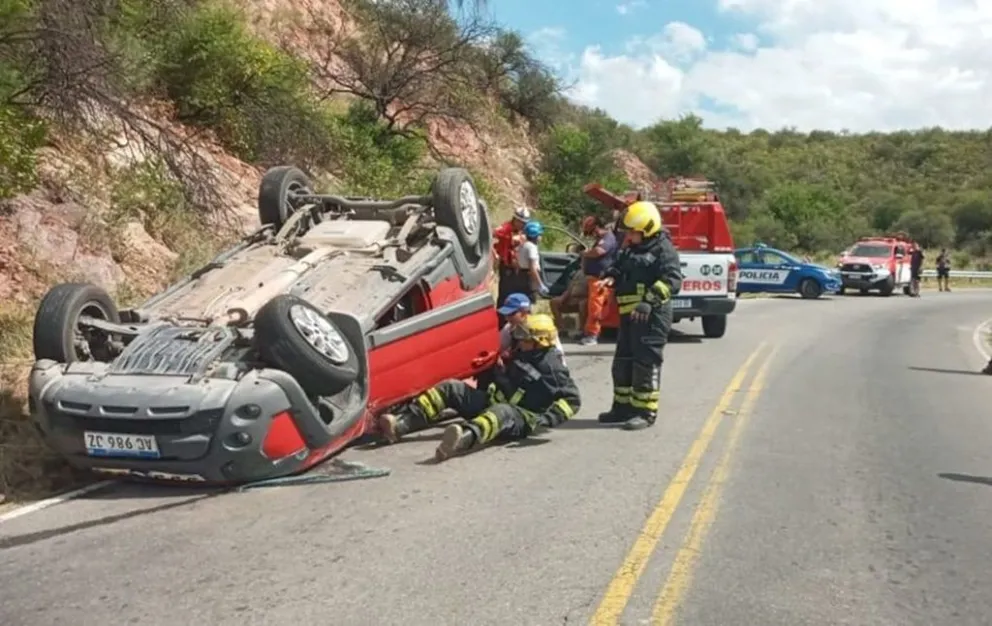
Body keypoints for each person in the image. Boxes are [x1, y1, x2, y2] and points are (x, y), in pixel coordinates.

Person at [376, 313, 581, 461]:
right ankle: (400, 425)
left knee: (501, 411)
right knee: (451, 387)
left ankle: (460, 440)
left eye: (526, 337)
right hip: (491, 401)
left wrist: (545, 419)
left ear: (540, 342)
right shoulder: (522, 352)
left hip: (518, 418)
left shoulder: (553, 368)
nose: (520, 339)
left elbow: (572, 400)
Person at [596, 200, 682, 431]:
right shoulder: (633, 247)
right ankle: (622, 408)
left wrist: (649, 302)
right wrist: (611, 276)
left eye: (632, 233)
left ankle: (645, 412)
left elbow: (672, 281)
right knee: (622, 363)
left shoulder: (664, 250)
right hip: (629, 316)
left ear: (646, 230)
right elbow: (620, 265)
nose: (628, 237)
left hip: (652, 318)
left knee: (646, 365)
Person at [577, 215, 618, 346]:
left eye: (591, 232)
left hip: (600, 280)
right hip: (594, 279)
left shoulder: (607, 238)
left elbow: (598, 252)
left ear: (596, 228)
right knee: (590, 306)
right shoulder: (601, 239)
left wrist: (584, 254)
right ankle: (586, 331)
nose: (592, 235)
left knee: (596, 308)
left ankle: (592, 335)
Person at [497, 293, 565, 363]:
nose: (507, 318)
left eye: (511, 314)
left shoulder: (542, 326)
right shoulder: (509, 328)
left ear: (524, 312)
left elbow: (558, 355)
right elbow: (498, 348)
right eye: (505, 314)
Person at [493, 207, 531, 323]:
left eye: (524, 223)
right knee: (505, 296)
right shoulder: (505, 229)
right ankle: (501, 323)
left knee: (518, 296)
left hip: (518, 270)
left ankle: (518, 321)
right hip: (507, 268)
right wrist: (495, 253)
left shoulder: (523, 231)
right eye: (520, 222)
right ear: (515, 219)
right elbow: (491, 236)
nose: (522, 225)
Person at [516, 221, 549, 302]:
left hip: (521, 276)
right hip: (529, 279)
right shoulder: (532, 247)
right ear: (535, 235)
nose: (541, 236)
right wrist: (540, 284)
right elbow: (532, 267)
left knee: (522, 301)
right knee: (528, 301)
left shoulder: (523, 245)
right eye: (540, 234)